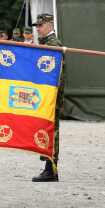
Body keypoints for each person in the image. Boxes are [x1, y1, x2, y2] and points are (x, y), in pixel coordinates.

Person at [30, 13, 66, 182]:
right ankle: (50, 169)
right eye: (36, 26)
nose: (37, 29)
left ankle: (51, 171)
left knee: (51, 132)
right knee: (46, 131)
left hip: (50, 98)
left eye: (41, 25)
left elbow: (54, 75)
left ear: (50, 26)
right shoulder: (46, 43)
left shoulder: (53, 44)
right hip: (45, 96)